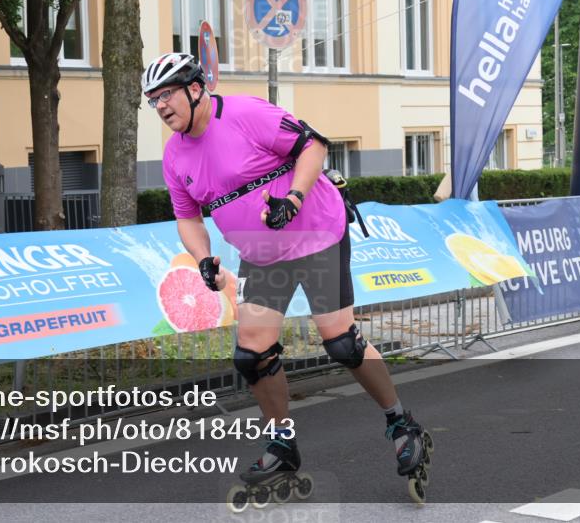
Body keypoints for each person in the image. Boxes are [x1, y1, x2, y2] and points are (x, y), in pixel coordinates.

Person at [142, 52, 429, 491]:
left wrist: (292, 198)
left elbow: (313, 145)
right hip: (261, 253)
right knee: (251, 354)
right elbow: (189, 217)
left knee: (342, 344)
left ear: (195, 89)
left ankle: (400, 424)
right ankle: (282, 445)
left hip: (317, 235)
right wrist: (202, 257)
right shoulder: (174, 156)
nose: (161, 107)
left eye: (166, 95)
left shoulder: (245, 114)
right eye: (153, 100)